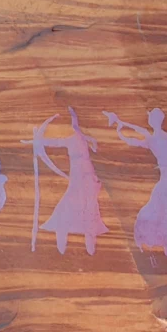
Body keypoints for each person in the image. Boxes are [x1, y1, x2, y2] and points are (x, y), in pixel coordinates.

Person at [105, 108, 167, 257]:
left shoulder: (158, 138)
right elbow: (134, 137)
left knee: (162, 204)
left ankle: (164, 238)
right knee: (161, 205)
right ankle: (164, 239)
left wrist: (120, 125)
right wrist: (120, 127)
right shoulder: (154, 139)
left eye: (152, 118)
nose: (152, 121)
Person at [37, 107, 108, 255]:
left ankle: (90, 247)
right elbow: (54, 142)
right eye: (74, 123)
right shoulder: (70, 140)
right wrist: (37, 140)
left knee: (89, 206)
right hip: (77, 175)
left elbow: (95, 148)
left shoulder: (86, 139)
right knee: (69, 203)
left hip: (88, 175)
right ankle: (61, 245)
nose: (76, 126)